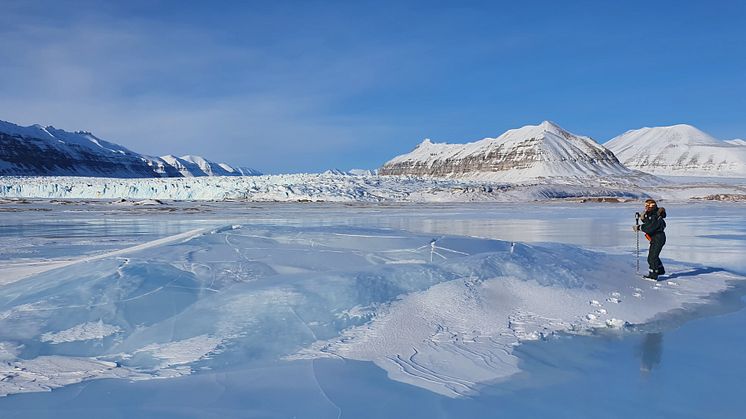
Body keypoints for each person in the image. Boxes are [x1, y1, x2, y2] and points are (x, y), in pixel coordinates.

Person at [633, 199, 667, 280]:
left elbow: (650, 227)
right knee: (654, 255)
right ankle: (660, 270)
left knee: (652, 258)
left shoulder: (656, 216)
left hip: (658, 237)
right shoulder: (652, 214)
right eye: (645, 206)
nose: (646, 208)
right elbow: (649, 222)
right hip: (655, 237)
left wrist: (640, 227)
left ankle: (653, 275)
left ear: (652, 206)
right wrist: (642, 217)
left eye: (647, 206)